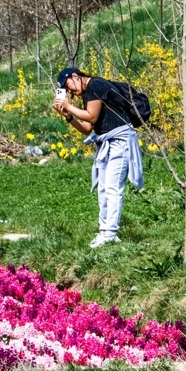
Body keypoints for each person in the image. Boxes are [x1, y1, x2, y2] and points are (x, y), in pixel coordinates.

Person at [53, 68, 144, 249]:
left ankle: (110, 233)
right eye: (65, 89)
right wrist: (68, 116)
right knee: (103, 188)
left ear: (75, 76)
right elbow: (87, 127)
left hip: (120, 140)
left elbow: (91, 116)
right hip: (106, 141)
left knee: (112, 186)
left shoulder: (95, 84)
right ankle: (104, 231)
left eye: (68, 85)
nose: (69, 91)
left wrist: (69, 105)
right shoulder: (88, 92)